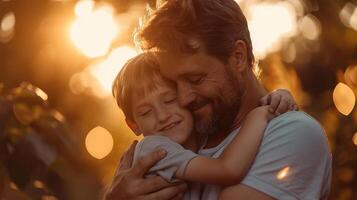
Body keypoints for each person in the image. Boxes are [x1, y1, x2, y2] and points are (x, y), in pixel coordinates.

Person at [105, 0, 332, 199]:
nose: (183, 99)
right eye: (174, 85)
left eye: (195, 78)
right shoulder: (188, 137)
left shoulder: (293, 133)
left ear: (238, 57)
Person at [109, 52, 296, 199]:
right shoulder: (155, 149)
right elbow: (228, 170)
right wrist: (261, 114)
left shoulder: (202, 135)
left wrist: (279, 95)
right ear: (134, 125)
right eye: (146, 112)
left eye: (169, 100)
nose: (163, 116)